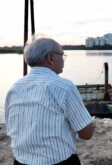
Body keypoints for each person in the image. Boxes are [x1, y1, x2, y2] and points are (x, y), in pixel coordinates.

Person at [5, 37, 94, 165]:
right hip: (58, 162)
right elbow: (86, 133)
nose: (63, 60)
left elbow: (11, 125)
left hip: (20, 161)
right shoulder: (64, 87)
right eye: (62, 55)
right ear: (51, 58)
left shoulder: (15, 87)